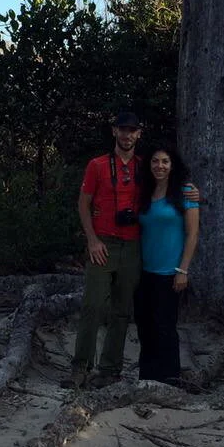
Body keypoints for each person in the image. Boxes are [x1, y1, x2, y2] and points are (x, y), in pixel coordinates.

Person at [71, 111, 144, 388]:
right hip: (103, 242)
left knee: (122, 309)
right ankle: (80, 367)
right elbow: (83, 203)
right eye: (122, 130)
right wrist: (91, 239)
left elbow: (167, 186)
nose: (127, 135)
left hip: (133, 244)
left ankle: (110, 370)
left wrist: (192, 194)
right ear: (114, 131)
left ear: (139, 134)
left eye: (132, 130)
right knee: (92, 304)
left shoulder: (143, 166)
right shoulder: (98, 165)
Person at [134, 141, 199, 385]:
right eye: (155, 161)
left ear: (172, 165)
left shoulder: (185, 192)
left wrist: (183, 269)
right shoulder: (145, 193)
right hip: (145, 271)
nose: (159, 166)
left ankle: (170, 377)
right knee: (144, 324)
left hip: (170, 272)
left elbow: (193, 234)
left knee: (165, 325)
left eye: (165, 161)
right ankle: (148, 375)